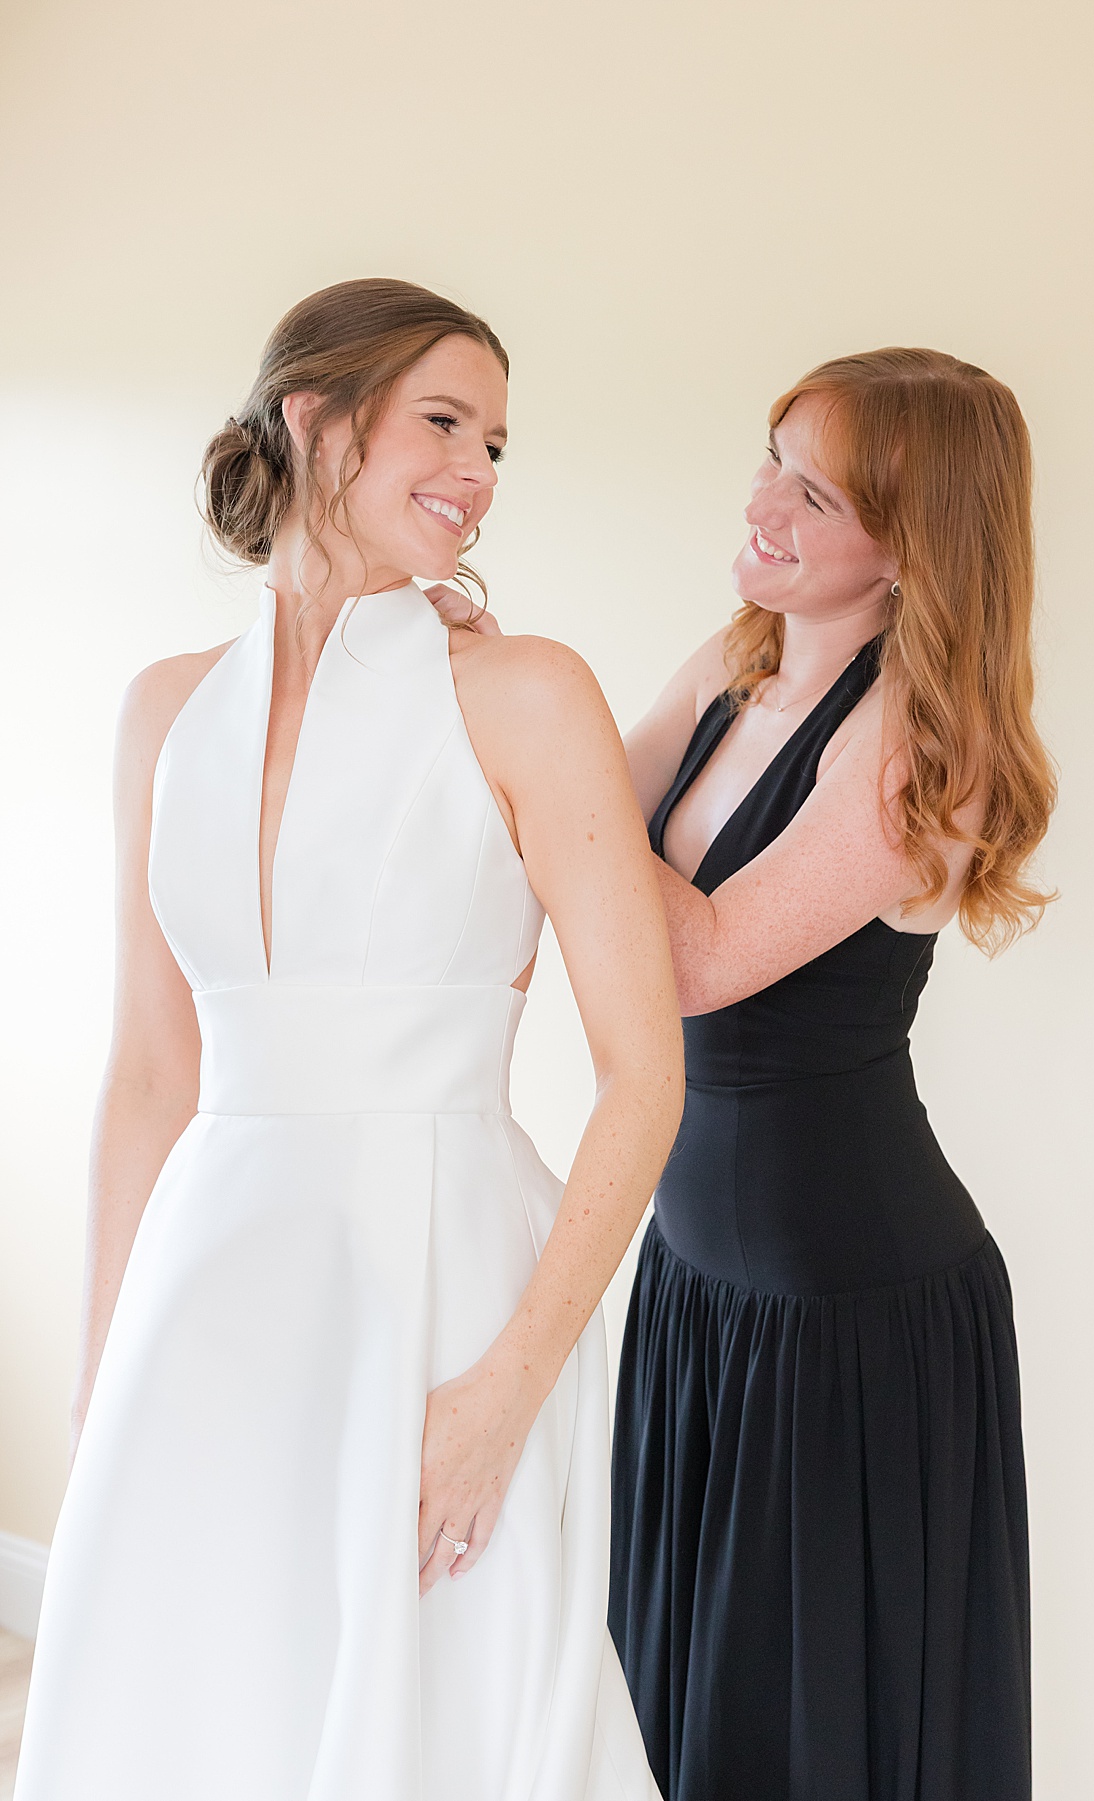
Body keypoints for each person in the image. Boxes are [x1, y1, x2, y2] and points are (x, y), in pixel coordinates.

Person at [19, 278, 684, 1799]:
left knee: (452, 1717)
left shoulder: (524, 692)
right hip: (212, 1291)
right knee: (205, 1707)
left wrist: (508, 1384)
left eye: (500, 442)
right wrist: (103, 1373)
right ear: (315, 422)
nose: (480, 472)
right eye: (443, 422)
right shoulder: (161, 712)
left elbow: (646, 1081)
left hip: (449, 1291)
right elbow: (147, 1069)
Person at [445, 349, 1051, 1798]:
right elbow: (560, 820)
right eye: (773, 456)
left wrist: (545, 732)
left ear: (910, 548)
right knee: (681, 1714)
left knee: (796, 1732)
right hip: (699, 1283)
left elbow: (699, 953)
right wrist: (482, 686)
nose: (764, 503)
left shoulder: (929, 744)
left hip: (844, 1305)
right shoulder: (739, 661)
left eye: (815, 490)